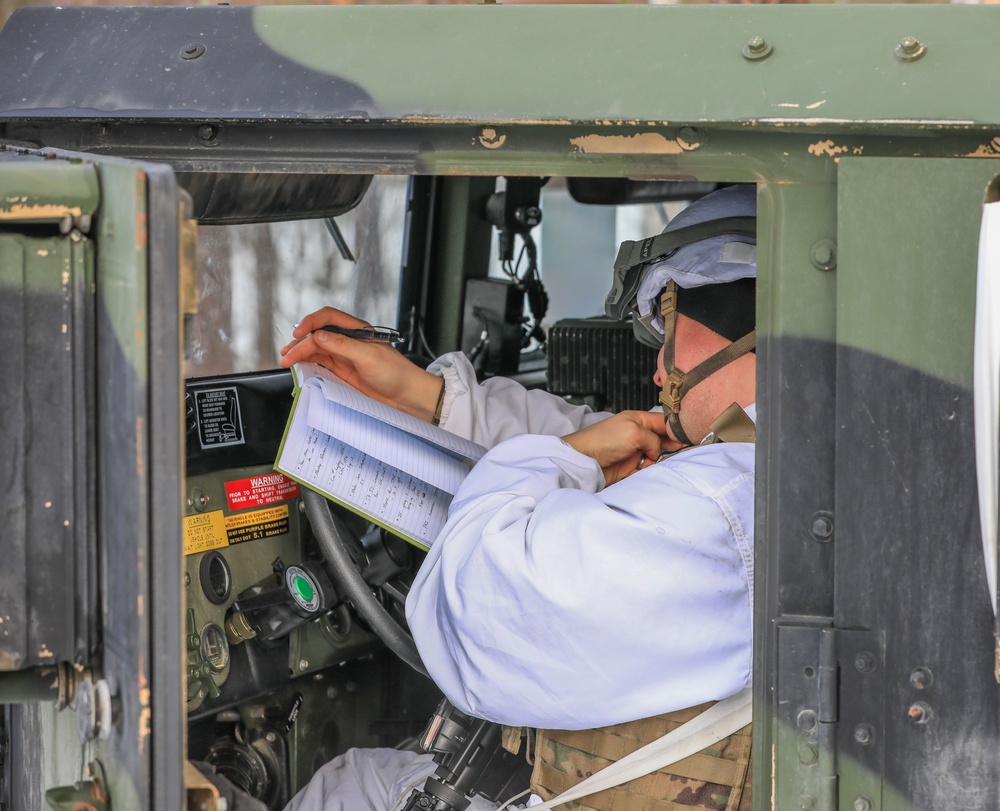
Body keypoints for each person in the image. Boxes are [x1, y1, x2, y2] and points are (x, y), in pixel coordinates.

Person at [278, 184, 758, 811]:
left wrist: (572, 459)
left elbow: (474, 618)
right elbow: (601, 437)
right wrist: (429, 399)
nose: (658, 372)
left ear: (739, 318)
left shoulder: (721, 503)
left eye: (668, 324)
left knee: (348, 793)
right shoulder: (770, 451)